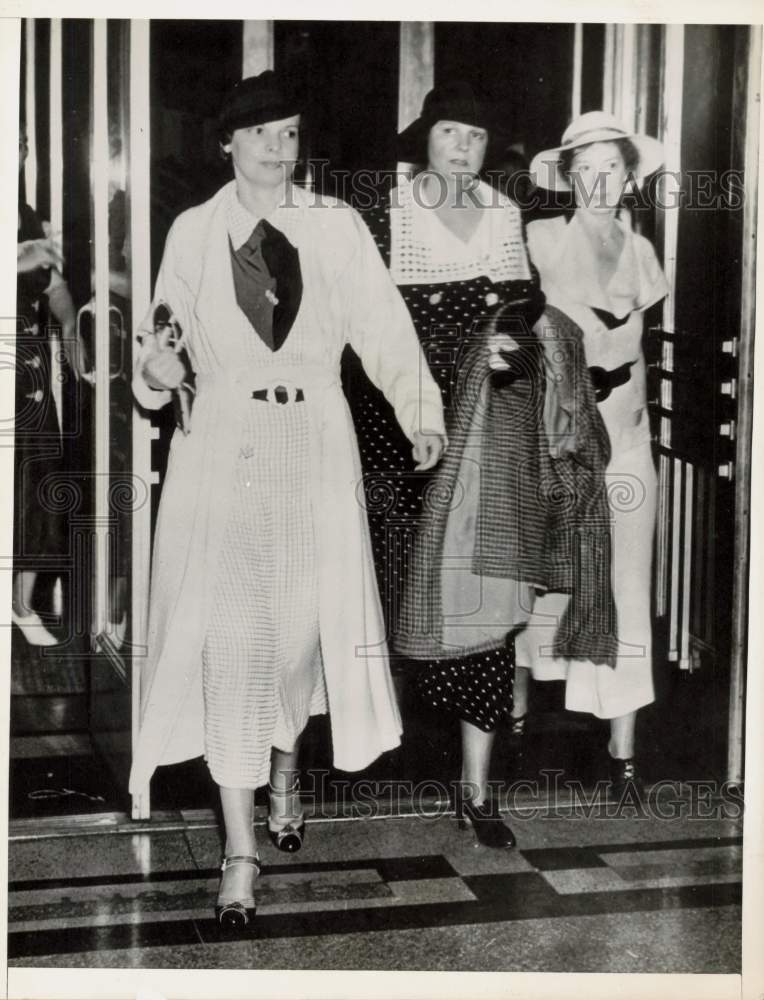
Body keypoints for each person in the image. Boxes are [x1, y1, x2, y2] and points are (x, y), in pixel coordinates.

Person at [127, 71, 446, 930]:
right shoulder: (195, 231)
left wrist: (420, 410)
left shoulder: (334, 226)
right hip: (224, 449)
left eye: (290, 133)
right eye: (262, 132)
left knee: (301, 636)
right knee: (233, 641)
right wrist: (155, 373)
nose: (278, 146)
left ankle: (285, 762)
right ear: (227, 143)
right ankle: (239, 852)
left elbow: (382, 322)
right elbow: (161, 337)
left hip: (315, 445)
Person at [355, 82, 546, 848]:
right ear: (425, 140)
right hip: (392, 417)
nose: (463, 149)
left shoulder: (503, 212)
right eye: (450, 134)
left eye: (475, 136)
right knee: (392, 579)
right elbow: (357, 316)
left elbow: (524, 306)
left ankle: (476, 787)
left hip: (482, 417)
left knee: (481, 581)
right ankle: (364, 753)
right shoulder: (386, 210)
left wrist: (511, 345)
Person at [512, 111, 668, 796]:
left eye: (614, 167)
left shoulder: (643, 253)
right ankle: (513, 714)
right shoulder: (539, 240)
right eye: (589, 167)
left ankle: (623, 749)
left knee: (626, 585)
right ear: (569, 175)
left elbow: (638, 354)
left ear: (630, 176)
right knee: (542, 577)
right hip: (556, 439)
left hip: (628, 442)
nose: (602, 182)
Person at [13, 123, 89, 646]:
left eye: (20, 143)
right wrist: (20, 259)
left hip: (30, 367)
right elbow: (29, 265)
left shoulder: (23, 212)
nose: (15, 152)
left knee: (40, 479)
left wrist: (67, 323)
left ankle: (21, 604)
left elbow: (55, 285)